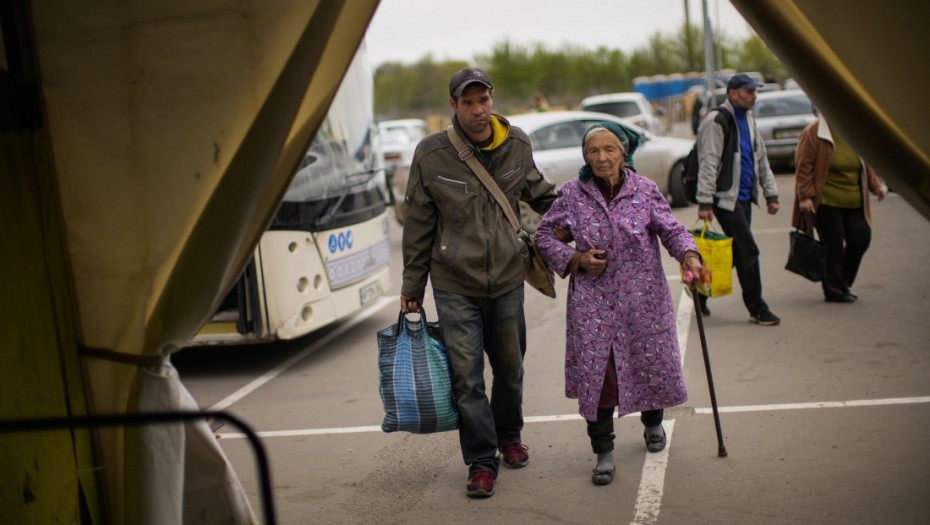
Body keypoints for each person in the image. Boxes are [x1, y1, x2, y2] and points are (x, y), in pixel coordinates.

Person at [399, 67, 557, 498]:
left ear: (492, 99)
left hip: (507, 277)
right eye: (467, 102)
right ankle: (481, 460)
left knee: (510, 370)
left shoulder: (517, 144)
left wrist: (594, 210)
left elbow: (543, 196)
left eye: (483, 100)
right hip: (454, 283)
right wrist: (412, 286)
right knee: (467, 379)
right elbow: (417, 223)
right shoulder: (431, 155)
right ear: (453, 106)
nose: (477, 109)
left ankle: (509, 436)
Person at [534, 121, 705, 486]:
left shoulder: (644, 190)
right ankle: (603, 451)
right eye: (593, 151)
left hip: (643, 299)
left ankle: (653, 423)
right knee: (600, 377)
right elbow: (544, 236)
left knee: (650, 362)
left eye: (609, 149)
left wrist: (689, 254)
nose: (602, 157)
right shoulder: (572, 194)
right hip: (593, 306)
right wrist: (576, 259)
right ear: (585, 157)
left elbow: (670, 228)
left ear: (623, 154)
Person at [695, 73, 781, 325]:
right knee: (749, 251)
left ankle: (700, 293)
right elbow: (708, 162)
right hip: (724, 200)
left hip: (743, 199)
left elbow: (760, 159)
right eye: (749, 92)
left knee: (734, 252)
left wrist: (771, 192)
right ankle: (757, 308)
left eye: (755, 92)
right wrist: (705, 202)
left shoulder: (750, 121)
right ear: (733, 94)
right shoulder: (716, 121)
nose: (754, 96)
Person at [793, 113, 886, 302]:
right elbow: (803, 166)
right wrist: (805, 196)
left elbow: (865, 163)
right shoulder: (814, 132)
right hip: (827, 200)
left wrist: (876, 186)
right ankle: (833, 289)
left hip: (855, 199)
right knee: (833, 244)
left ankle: (841, 281)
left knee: (861, 238)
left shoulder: (854, 132)